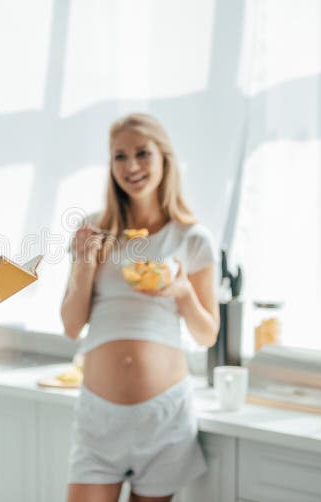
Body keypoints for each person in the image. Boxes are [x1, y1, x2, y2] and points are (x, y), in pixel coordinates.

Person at [61, 113, 220, 502]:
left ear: (164, 158)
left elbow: (206, 334)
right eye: (119, 156)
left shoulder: (192, 238)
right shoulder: (93, 230)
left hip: (163, 419)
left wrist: (183, 292)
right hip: (99, 418)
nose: (131, 166)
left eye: (142, 153)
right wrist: (84, 265)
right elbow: (70, 326)